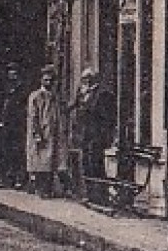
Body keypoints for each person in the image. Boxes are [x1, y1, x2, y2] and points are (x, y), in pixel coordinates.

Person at [70, 68, 115, 198]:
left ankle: (99, 195)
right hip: (86, 135)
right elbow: (77, 109)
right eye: (84, 79)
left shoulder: (102, 94)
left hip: (97, 136)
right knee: (86, 164)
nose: (85, 82)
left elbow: (106, 118)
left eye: (87, 79)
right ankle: (90, 193)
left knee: (96, 164)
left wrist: (106, 136)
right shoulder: (83, 93)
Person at [25, 66, 61, 198]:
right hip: (41, 133)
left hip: (52, 133)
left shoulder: (54, 97)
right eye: (46, 80)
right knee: (40, 162)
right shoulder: (35, 96)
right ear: (41, 80)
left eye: (51, 80)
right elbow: (33, 117)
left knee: (50, 162)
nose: (49, 83)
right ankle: (40, 189)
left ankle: (48, 189)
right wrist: (37, 134)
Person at [0, 62, 28, 188]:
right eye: (10, 72)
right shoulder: (7, 87)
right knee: (6, 151)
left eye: (14, 72)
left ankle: (18, 178)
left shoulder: (21, 88)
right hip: (7, 123)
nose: (11, 74)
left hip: (17, 124)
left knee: (17, 151)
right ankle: (7, 178)